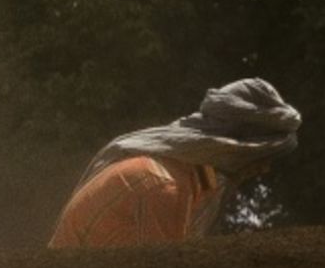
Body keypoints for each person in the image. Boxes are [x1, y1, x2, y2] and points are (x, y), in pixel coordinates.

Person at [46, 77, 300, 247]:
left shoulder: (188, 180)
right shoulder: (162, 184)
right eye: (260, 156)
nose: (263, 168)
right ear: (233, 146)